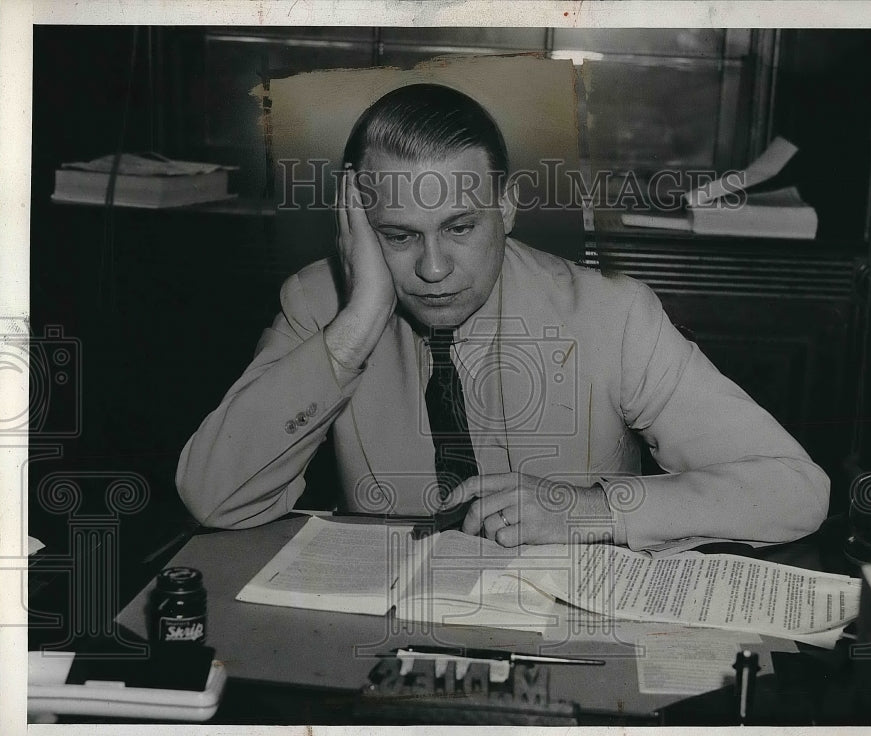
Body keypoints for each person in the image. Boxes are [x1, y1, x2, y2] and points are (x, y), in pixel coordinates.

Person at [176, 83, 829, 550]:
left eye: (459, 227)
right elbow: (213, 497)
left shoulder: (613, 315)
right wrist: (354, 331)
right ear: (357, 229)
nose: (434, 268)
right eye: (398, 236)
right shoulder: (317, 306)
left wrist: (589, 510)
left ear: (507, 208)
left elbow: (795, 489)